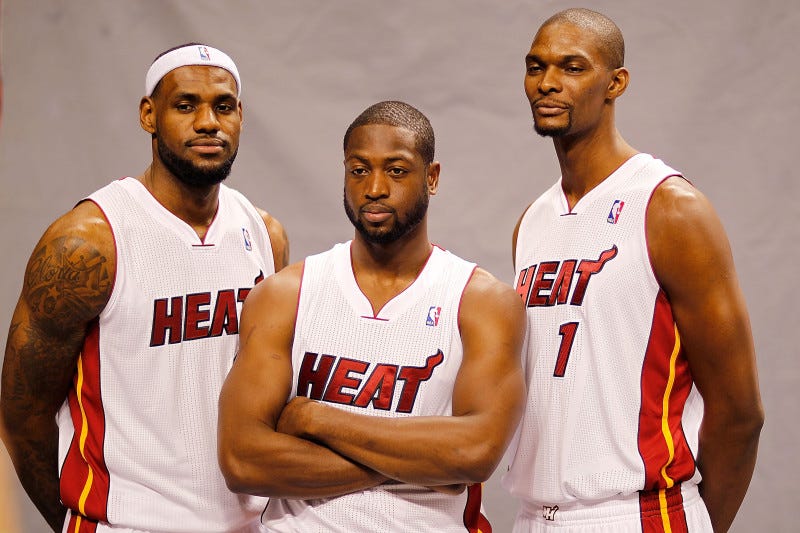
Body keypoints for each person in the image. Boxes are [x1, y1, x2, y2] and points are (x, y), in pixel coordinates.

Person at [1, 43, 288, 532]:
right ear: (148, 115)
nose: (207, 122)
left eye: (222, 106)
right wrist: (81, 518)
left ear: (240, 116)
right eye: (185, 105)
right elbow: (22, 414)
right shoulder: (88, 242)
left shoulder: (264, 235)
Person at [503, 8, 764, 533]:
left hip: (638, 512)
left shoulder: (669, 207)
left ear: (614, 83)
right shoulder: (533, 221)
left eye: (572, 67)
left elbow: (740, 412)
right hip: (535, 517)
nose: (548, 83)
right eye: (536, 67)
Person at [218, 100, 526, 532]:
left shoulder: (480, 301)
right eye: (359, 170)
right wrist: (422, 464)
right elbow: (242, 460)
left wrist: (313, 418)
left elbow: (474, 454)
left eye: (396, 170)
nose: (375, 188)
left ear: (431, 178)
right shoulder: (285, 294)